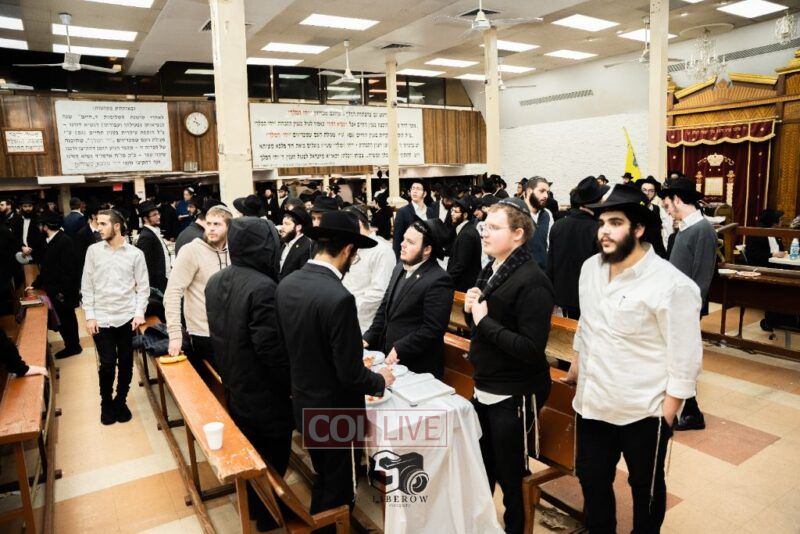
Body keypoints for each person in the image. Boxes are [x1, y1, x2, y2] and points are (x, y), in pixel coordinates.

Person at [566, 184, 703, 534]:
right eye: (601, 223)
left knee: (646, 489)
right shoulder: (590, 269)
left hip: (643, 412)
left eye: (615, 223)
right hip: (593, 406)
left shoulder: (672, 285)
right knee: (592, 480)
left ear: (638, 228)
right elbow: (587, 323)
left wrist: (665, 416)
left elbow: (685, 359)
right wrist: (577, 365)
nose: (604, 231)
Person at [276, 211, 394, 516]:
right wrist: (380, 380)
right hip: (335, 412)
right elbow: (350, 373)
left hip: (303, 399)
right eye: (354, 256)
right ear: (348, 250)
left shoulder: (288, 283)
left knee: (324, 475)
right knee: (339, 490)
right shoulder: (338, 297)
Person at [464, 197, 554, 534]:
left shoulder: (532, 279)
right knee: (483, 466)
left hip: (514, 391)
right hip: (487, 383)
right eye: (484, 226)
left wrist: (483, 321)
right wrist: (471, 311)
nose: (484, 233)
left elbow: (531, 349)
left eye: (494, 227)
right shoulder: (494, 267)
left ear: (518, 234)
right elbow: (483, 324)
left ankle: (515, 528)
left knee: (511, 475)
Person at [205, 217, 292, 532]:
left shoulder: (216, 280)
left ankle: (257, 505)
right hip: (263, 390)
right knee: (273, 451)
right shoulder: (264, 287)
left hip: (233, 379)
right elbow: (270, 349)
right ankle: (267, 514)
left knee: (251, 446)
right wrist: (291, 383)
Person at [659, 177, 716, 432]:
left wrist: (690, 312)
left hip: (685, 309)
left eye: (668, 204)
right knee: (674, 359)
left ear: (678, 199)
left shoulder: (703, 230)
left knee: (683, 359)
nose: (667, 210)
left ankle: (692, 413)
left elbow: (701, 278)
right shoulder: (683, 228)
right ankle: (689, 410)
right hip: (673, 306)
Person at [82, 209, 149, 425]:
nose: (98, 228)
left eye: (103, 224)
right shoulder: (93, 251)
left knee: (127, 362)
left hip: (127, 317)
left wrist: (139, 312)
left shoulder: (135, 254)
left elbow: (143, 287)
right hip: (102, 318)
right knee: (108, 363)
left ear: (117, 226)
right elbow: (87, 286)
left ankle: (121, 400)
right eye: (98, 223)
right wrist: (90, 316)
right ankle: (106, 402)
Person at [364, 219, 453, 378]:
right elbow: (384, 309)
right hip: (389, 359)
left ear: (427, 250)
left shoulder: (439, 279)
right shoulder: (399, 267)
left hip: (417, 365)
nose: (402, 244)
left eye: (410, 242)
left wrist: (401, 347)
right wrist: (368, 338)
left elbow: (433, 329)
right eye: (404, 239)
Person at [165, 205, 231, 369]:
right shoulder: (191, 251)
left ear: (229, 227)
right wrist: (175, 334)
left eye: (217, 224)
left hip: (231, 332)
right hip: (203, 333)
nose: (211, 228)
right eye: (209, 224)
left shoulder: (234, 251)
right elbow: (173, 292)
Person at [547, 177, 605, 320]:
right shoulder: (598, 229)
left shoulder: (558, 225)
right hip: (589, 299)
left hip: (561, 297)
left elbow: (550, 266)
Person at [28, 213, 82, 359]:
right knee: (63, 319)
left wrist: (61, 292)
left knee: (67, 319)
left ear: (46, 227)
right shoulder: (50, 240)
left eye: (41, 225)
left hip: (63, 291)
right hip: (56, 289)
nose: (40, 228)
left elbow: (70, 270)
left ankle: (73, 347)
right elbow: (46, 268)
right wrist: (36, 284)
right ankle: (71, 345)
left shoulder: (64, 241)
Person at [342, 205, 396, 333]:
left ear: (359, 224)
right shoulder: (350, 246)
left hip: (367, 324)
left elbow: (379, 292)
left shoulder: (382, 250)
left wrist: (348, 307)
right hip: (344, 317)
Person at [447, 196, 482, 292]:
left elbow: (460, 265)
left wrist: (445, 280)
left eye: (456, 212)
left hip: (463, 287)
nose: (452, 214)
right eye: (452, 210)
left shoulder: (467, 234)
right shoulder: (466, 230)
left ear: (465, 215)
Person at [136, 201, 171, 293]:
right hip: (157, 284)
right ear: (145, 218)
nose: (158, 217)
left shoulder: (153, 232)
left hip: (164, 279)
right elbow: (145, 266)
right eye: (154, 215)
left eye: (158, 214)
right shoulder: (145, 237)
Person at [392, 179, 428, 258]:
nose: (415, 191)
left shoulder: (430, 211)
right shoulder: (402, 212)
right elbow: (397, 239)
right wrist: (398, 260)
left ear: (424, 193)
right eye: (413, 188)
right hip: (410, 255)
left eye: (418, 189)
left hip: (426, 255)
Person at [523, 177, 552, 269]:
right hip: (521, 271)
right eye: (542, 191)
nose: (546, 196)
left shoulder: (547, 214)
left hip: (542, 271)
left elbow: (549, 243)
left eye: (547, 192)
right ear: (529, 191)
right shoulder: (516, 213)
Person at [279, 207, 313, 280]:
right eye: (282, 223)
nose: (282, 227)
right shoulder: (286, 241)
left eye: (287, 224)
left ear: (298, 227)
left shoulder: (306, 247)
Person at [639, 176, 668, 258]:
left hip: (657, 254)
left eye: (651, 191)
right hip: (640, 254)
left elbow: (663, 233)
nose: (647, 193)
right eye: (644, 190)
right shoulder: (634, 209)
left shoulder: (658, 210)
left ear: (655, 194)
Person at [13, 195, 45, 264]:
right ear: (21, 207)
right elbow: (15, 236)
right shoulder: (16, 219)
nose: (28, 208)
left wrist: (31, 248)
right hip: (20, 253)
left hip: (36, 253)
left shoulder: (38, 219)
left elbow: (41, 237)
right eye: (25, 206)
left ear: (33, 207)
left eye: (30, 206)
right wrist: (22, 247)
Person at [75, 203, 103, 282]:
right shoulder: (82, 234)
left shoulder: (107, 230)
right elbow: (80, 258)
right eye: (100, 214)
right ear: (93, 216)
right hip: (92, 274)